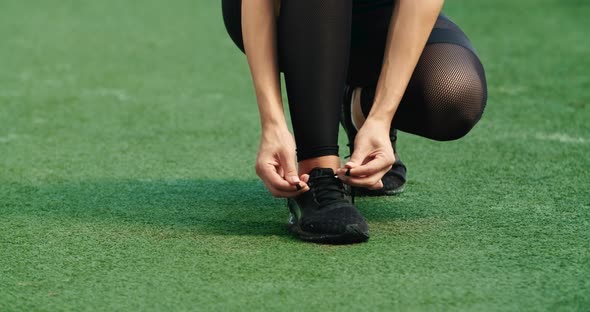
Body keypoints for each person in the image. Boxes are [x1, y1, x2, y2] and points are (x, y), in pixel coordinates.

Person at [221, 0, 487, 244]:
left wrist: (381, 116)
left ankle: (357, 107)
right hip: (288, 10)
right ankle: (317, 172)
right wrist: (273, 124)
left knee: (454, 97)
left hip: (375, 11)